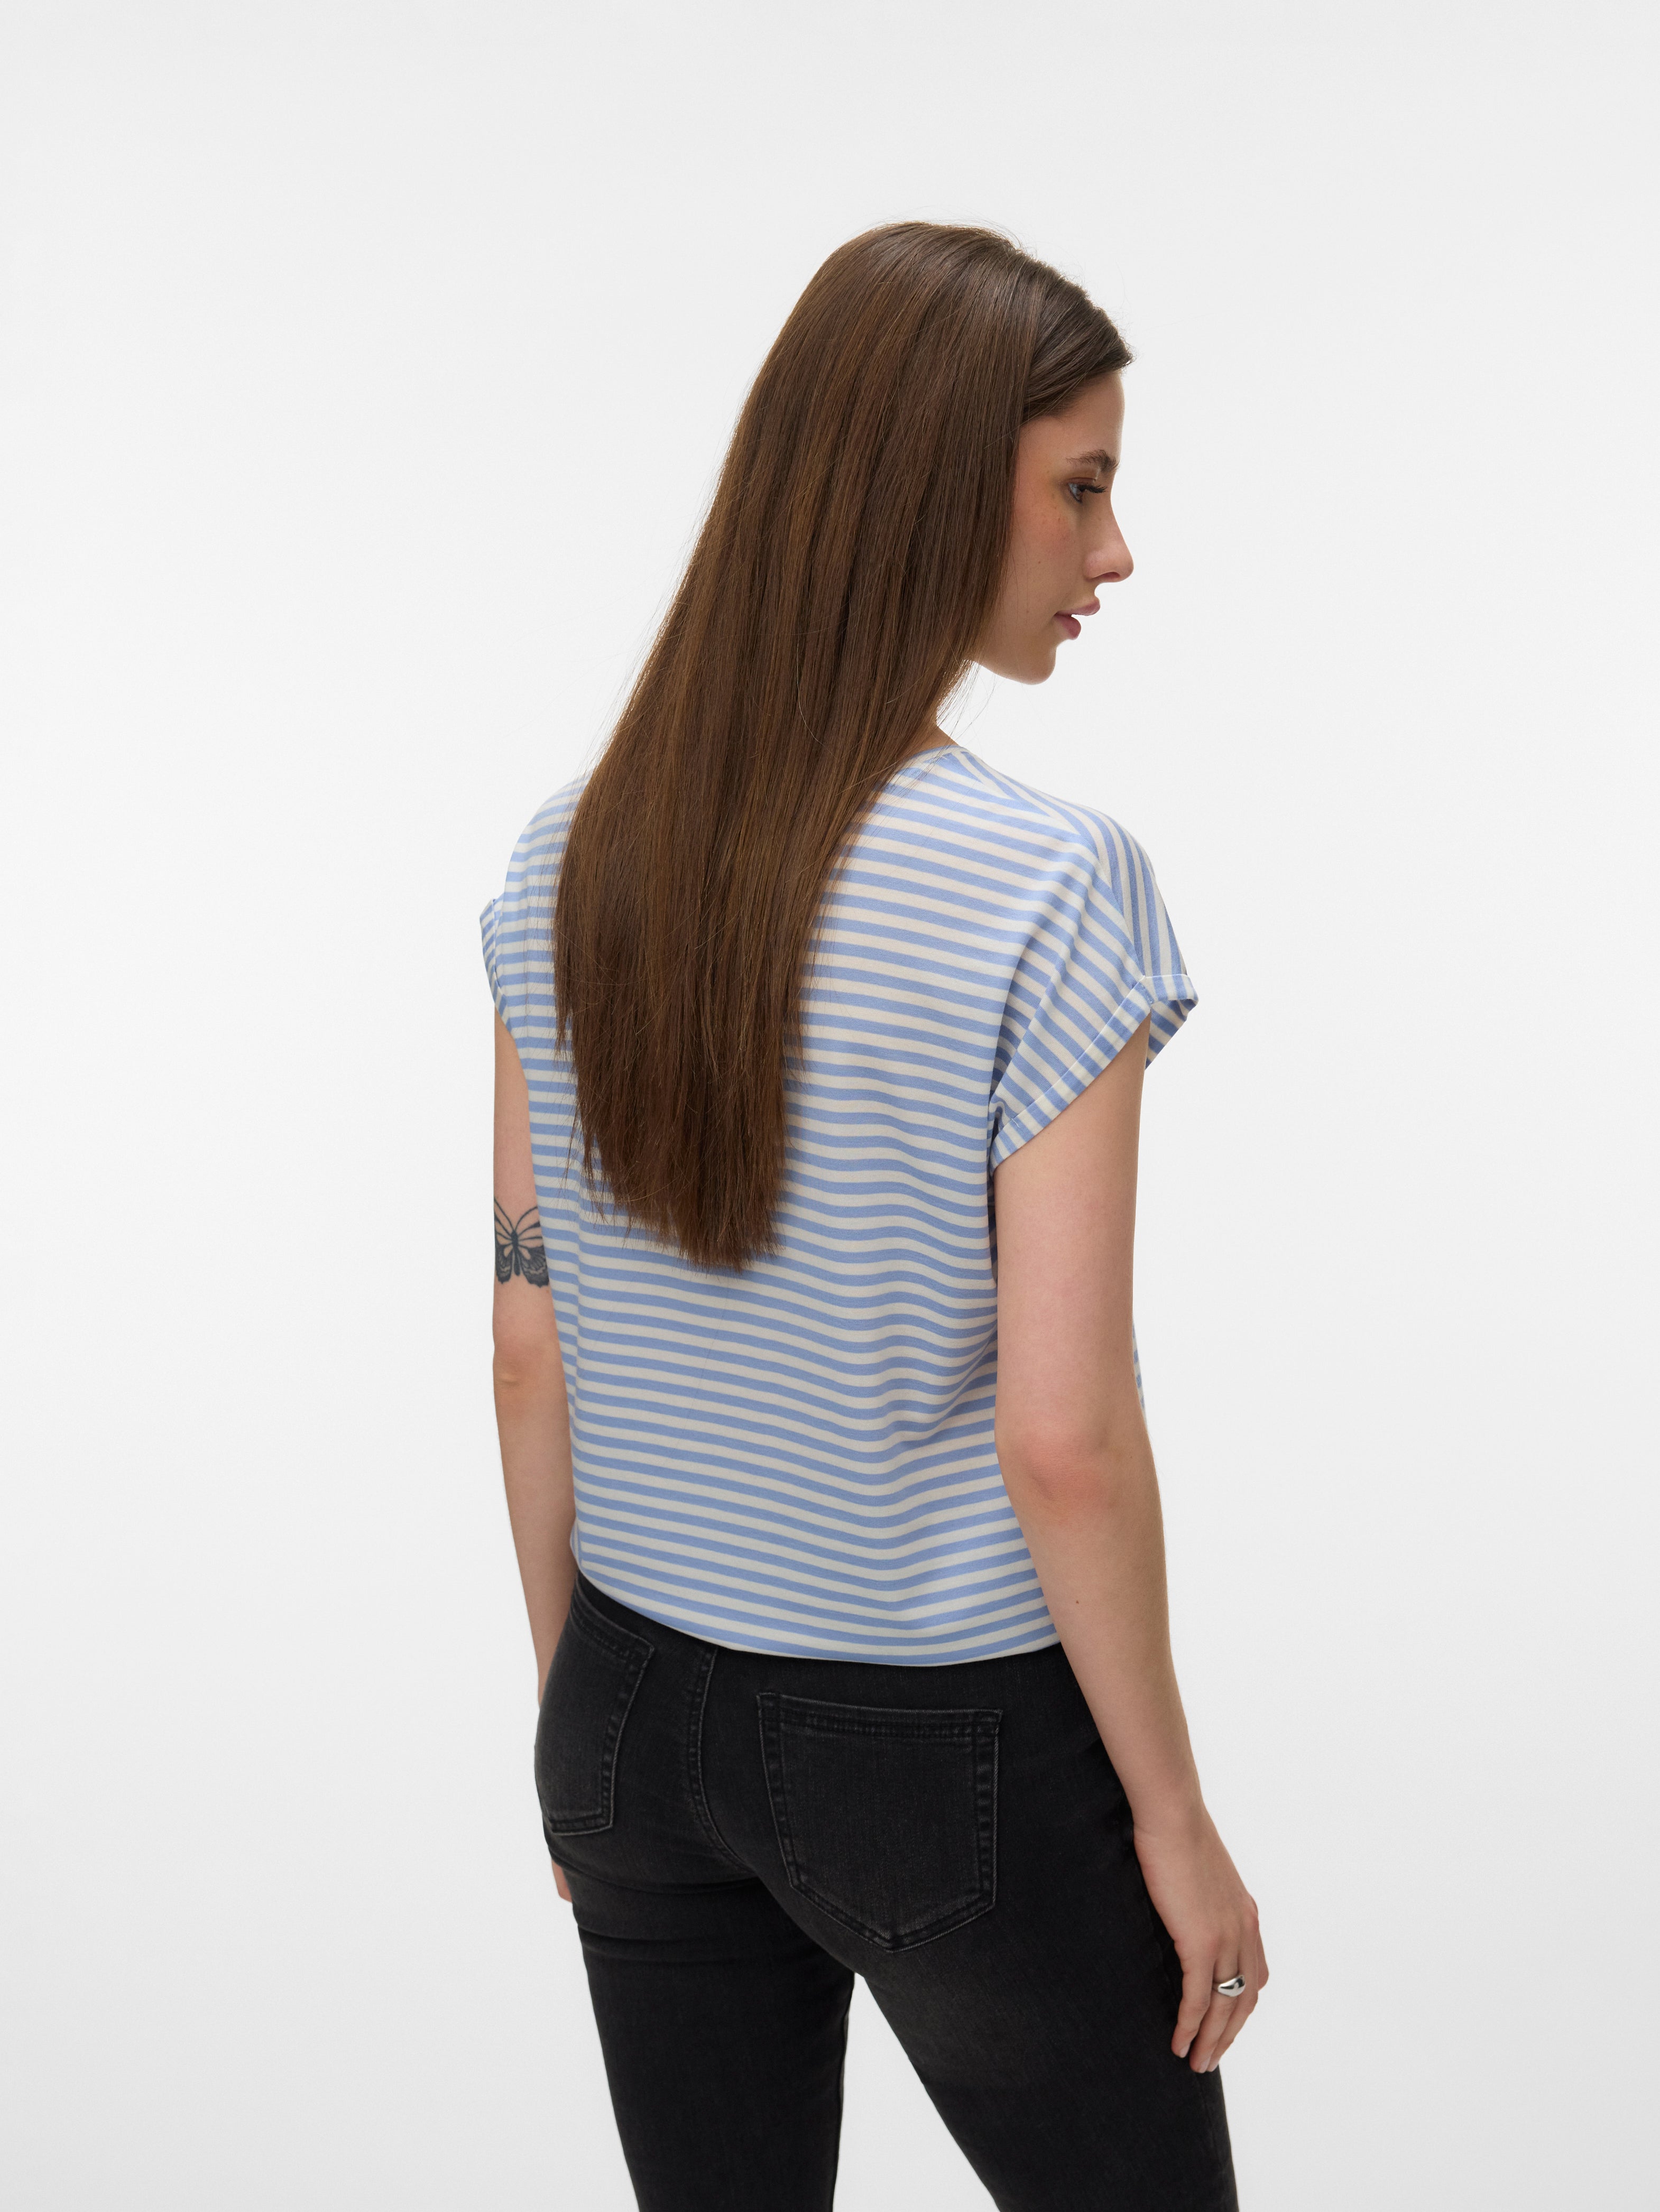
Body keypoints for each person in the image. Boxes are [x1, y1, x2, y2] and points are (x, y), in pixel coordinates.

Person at [482, 220, 1266, 2212]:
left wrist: (582, 1721)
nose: (1113, 550)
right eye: (1079, 486)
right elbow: (1062, 1435)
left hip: (627, 1692)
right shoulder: (1048, 883)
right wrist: (1171, 1818)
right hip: (938, 1741)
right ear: (929, 489)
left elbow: (526, 1338)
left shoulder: (572, 852)